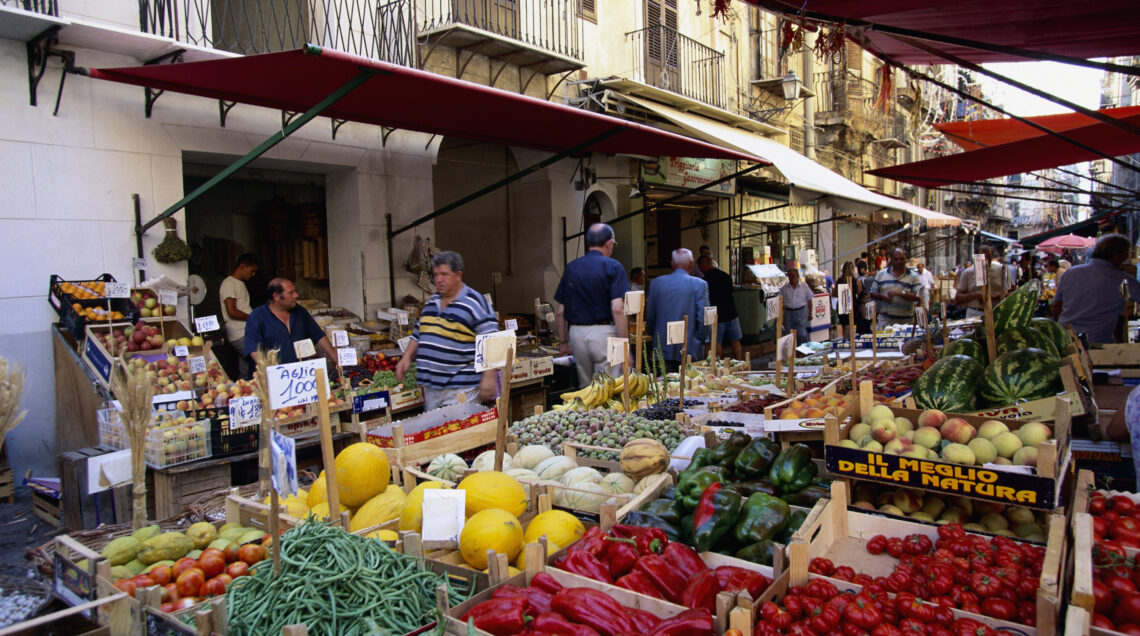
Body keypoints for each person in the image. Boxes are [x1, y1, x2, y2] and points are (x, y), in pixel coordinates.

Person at [396, 251, 499, 410]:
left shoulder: (474, 302)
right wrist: (406, 357)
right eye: (436, 274)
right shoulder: (431, 302)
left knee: (459, 431)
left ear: (458, 275)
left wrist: (489, 376)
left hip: (461, 388)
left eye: (444, 274)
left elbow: (491, 340)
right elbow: (418, 334)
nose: (438, 280)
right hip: (432, 388)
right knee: (437, 432)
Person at [554, 223, 629, 388]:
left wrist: (564, 342)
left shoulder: (571, 267)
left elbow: (560, 312)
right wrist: (625, 346)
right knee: (607, 387)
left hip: (576, 334)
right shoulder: (613, 267)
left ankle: (587, 414)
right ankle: (607, 414)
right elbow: (617, 308)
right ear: (609, 243)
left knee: (586, 389)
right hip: (604, 333)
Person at [1052, 234, 1140, 344]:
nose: (1127, 256)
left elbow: (1056, 307)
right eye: (1126, 253)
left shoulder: (1071, 273)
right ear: (1117, 255)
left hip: (1066, 341)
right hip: (1097, 345)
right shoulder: (1122, 280)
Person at [243, 278, 337, 367]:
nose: (296, 295)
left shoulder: (300, 312)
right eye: (291, 293)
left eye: (295, 291)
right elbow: (254, 350)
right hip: (273, 376)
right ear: (276, 296)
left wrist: (338, 361)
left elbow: (319, 336)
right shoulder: (257, 316)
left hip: (299, 373)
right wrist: (272, 372)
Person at [647, 249, 709, 372]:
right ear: (691, 264)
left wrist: (654, 335)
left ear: (672, 264)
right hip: (691, 346)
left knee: (664, 386)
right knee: (690, 384)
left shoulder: (656, 283)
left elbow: (650, 315)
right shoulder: (699, 284)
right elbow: (702, 317)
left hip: (662, 345)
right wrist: (703, 339)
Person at [219, 253, 259, 379]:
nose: (253, 275)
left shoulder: (239, 283)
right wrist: (253, 318)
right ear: (242, 266)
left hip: (245, 331)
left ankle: (245, 392)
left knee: (246, 367)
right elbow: (232, 311)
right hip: (239, 333)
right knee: (260, 361)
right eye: (251, 271)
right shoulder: (229, 284)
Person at [697, 255, 742, 360]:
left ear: (703, 265)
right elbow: (731, 292)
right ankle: (741, 363)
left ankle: (719, 365)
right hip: (731, 312)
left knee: (716, 343)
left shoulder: (704, 281)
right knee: (736, 341)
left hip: (716, 315)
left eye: (700, 267)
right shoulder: (726, 276)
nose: (699, 270)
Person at [869, 248, 923, 329]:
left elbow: (919, 297)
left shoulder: (913, 277)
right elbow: (872, 293)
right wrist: (883, 296)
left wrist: (900, 294)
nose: (899, 262)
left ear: (906, 259)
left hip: (906, 324)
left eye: (902, 259)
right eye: (896, 259)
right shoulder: (881, 274)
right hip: (885, 322)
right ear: (891, 259)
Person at [954, 245, 1007, 319]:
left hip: (996, 312)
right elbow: (958, 297)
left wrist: (998, 296)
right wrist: (974, 295)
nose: (985, 260)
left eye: (988, 257)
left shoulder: (1001, 270)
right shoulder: (968, 272)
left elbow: (1012, 291)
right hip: (975, 313)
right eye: (982, 257)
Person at [779, 267, 814, 343]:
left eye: (793, 275)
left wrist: (810, 313)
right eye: (789, 276)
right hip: (788, 313)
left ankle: (802, 351)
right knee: (788, 333)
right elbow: (780, 302)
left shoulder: (804, 287)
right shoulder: (784, 289)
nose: (791, 278)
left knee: (801, 333)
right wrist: (780, 316)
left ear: (797, 276)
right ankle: (790, 352)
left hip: (800, 312)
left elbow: (810, 300)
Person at [833, 261, 859, 340]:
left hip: (842, 302)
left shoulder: (840, 280)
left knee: (844, 323)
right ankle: (849, 340)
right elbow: (858, 292)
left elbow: (834, 293)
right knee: (849, 323)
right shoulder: (854, 280)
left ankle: (845, 338)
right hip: (851, 302)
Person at [855, 261, 875, 335]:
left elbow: (859, 292)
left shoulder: (860, 280)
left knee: (864, 321)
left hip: (863, 302)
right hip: (870, 301)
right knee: (868, 320)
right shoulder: (871, 278)